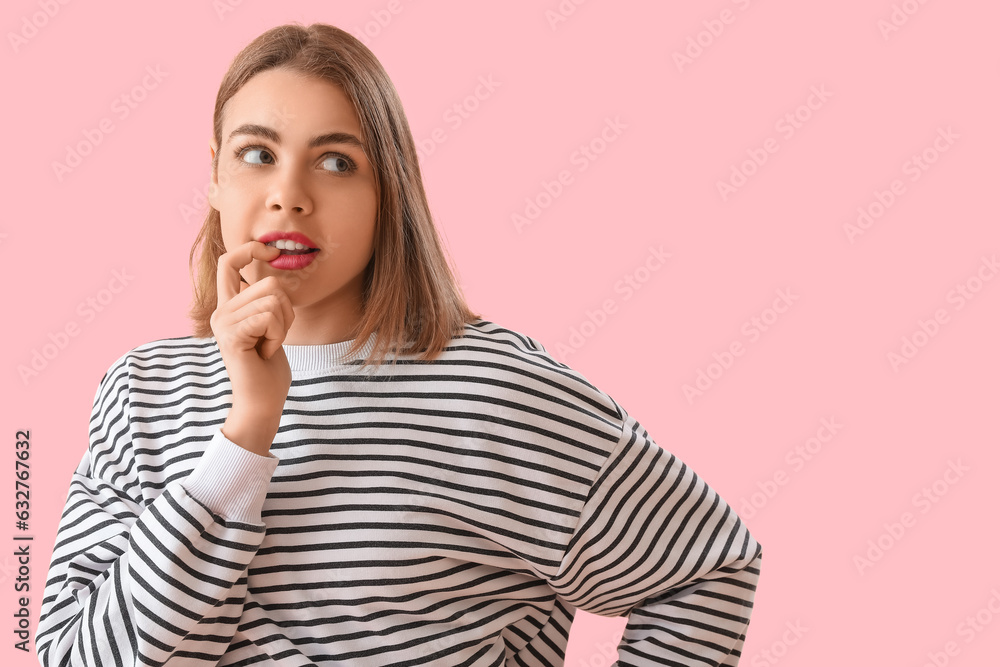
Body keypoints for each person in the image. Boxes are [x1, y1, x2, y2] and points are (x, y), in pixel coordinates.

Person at [36, 22, 763, 666]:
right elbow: (75, 656)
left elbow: (708, 565)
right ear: (217, 179)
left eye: (335, 162)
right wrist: (243, 436)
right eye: (257, 154)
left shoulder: (495, 388)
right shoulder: (141, 388)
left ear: (390, 192)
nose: (289, 194)